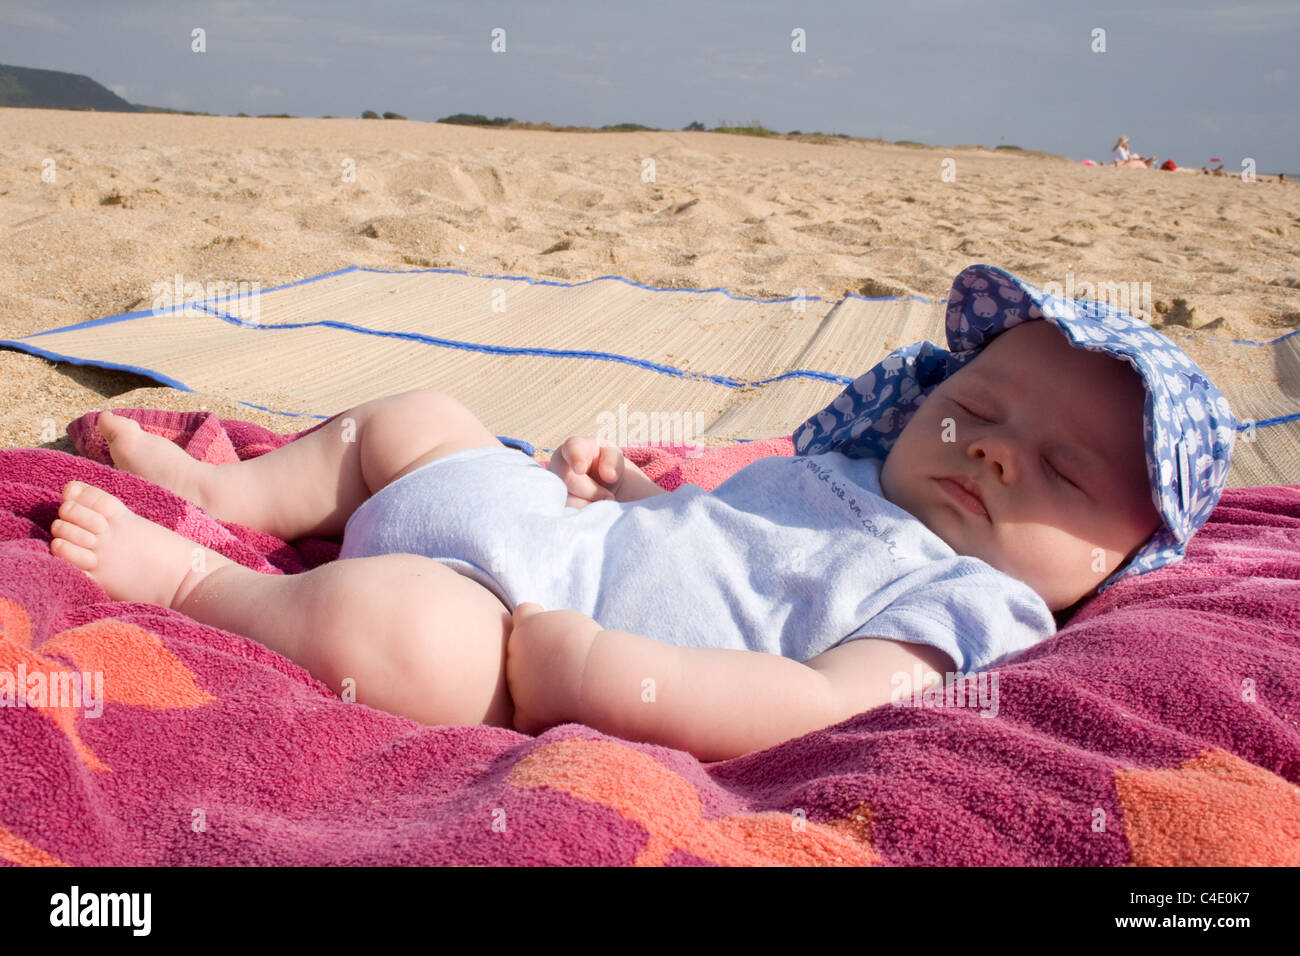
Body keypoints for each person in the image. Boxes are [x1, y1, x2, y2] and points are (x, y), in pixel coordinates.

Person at [47, 265, 1236, 763]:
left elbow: (812, 699)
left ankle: (205, 583)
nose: (991, 449)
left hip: (518, 626)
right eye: (974, 405)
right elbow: (715, 534)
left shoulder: (963, 605)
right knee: (414, 418)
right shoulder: (857, 475)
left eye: (1064, 470)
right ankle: (232, 492)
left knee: (388, 626)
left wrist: (601, 671)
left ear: (1120, 554)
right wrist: (623, 492)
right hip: (550, 525)